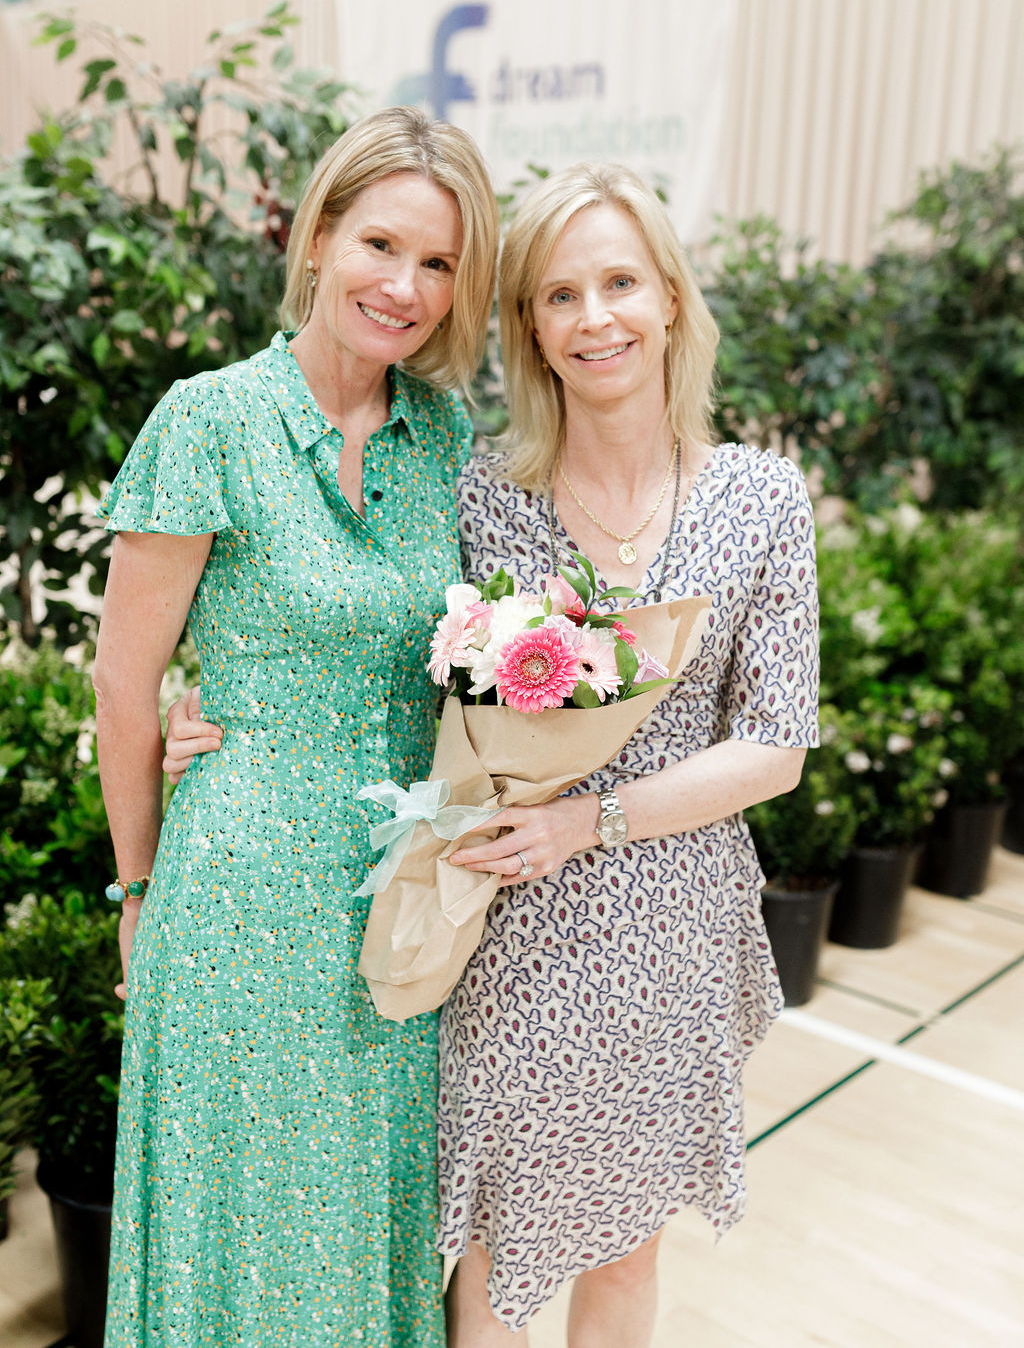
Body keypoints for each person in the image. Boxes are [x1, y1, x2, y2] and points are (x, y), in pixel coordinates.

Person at [165, 163, 819, 1347]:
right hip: (501, 919)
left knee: (624, 1253)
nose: (593, 318)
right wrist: (222, 714)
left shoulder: (762, 497)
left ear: (671, 298)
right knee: (488, 1253)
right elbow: (368, 642)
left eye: (619, 283)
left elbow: (775, 746)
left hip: (672, 921)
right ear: (528, 328)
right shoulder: (479, 493)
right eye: (559, 295)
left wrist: (589, 821)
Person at [92, 106, 499, 1347]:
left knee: (366, 1213)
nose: (404, 287)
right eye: (380, 245)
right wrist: (137, 889)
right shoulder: (209, 420)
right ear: (317, 238)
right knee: (239, 1219)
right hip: (239, 893)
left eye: (437, 263)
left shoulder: (445, 434)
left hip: (400, 893)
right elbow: (123, 683)